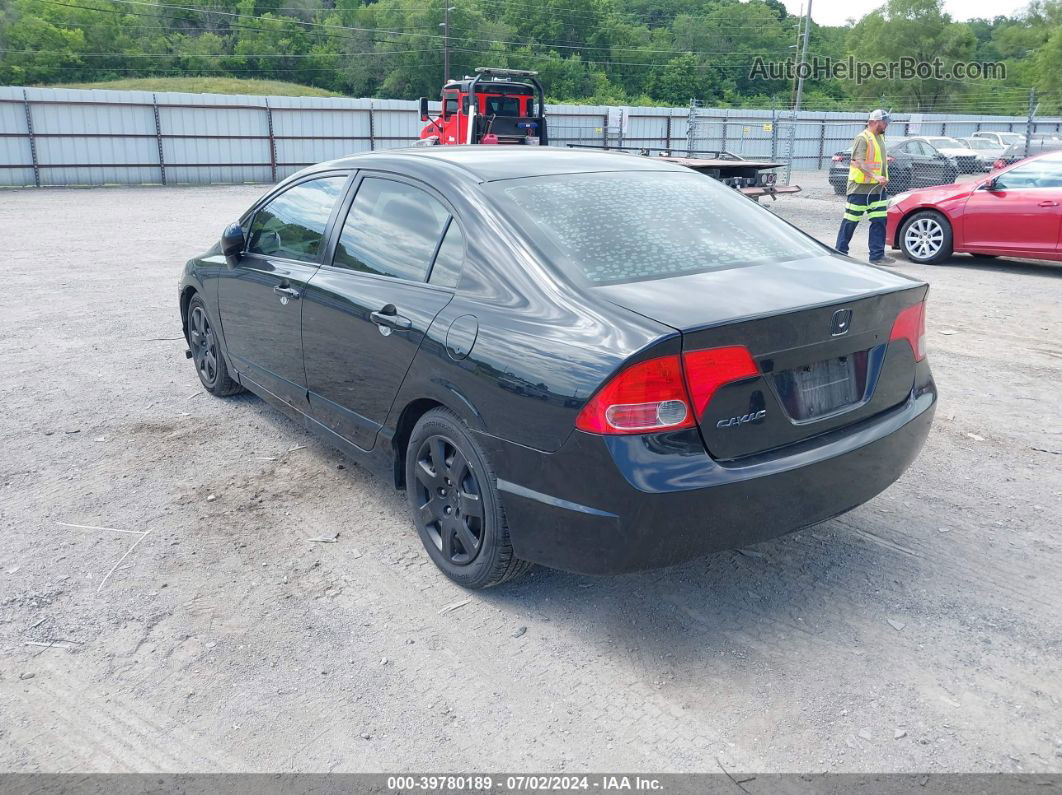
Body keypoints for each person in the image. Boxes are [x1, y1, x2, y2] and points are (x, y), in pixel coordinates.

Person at [836, 109, 894, 265]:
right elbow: (859, 162)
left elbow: (874, 160)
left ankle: (877, 256)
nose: (886, 125)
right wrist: (875, 176)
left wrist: (884, 162)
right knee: (850, 221)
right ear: (874, 122)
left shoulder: (880, 137)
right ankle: (840, 253)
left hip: (877, 189)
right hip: (860, 189)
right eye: (884, 122)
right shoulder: (862, 138)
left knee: (879, 222)